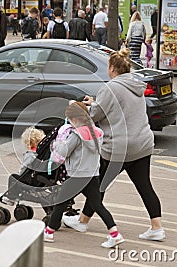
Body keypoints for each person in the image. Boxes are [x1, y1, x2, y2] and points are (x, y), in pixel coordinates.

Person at [63, 48, 165, 242]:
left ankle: (83, 222)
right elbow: (118, 107)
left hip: (118, 147)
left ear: (112, 68)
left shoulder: (110, 87)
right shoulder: (136, 84)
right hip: (142, 144)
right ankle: (156, 227)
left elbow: (94, 115)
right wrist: (97, 102)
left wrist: (86, 105)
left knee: (98, 185)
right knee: (145, 186)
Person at [44, 102, 124, 248]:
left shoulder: (76, 134)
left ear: (75, 119)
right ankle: (114, 233)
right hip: (93, 175)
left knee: (60, 203)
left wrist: (57, 144)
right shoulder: (97, 132)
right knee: (98, 205)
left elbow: (64, 152)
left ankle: (49, 232)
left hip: (76, 175)